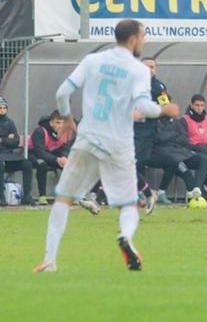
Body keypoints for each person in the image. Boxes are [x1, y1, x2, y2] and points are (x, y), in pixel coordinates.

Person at [34, 19, 179, 273]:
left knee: (64, 198)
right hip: (118, 142)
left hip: (88, 137)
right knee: (128, 203)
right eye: (143, 37)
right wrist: (164, 109)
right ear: (133, 39)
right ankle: (125, 236)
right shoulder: (139, 70)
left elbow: (61, 93)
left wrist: (67, 118)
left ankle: (49, 260)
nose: (143, 42)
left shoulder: (93, 61)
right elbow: (144, 107)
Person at [150, 114, 207, 206]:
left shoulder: (176, 122)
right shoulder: (152, 122)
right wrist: (173, 136)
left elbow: (184, 139)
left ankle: (197, 189)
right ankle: (193, 197)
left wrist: (169, 137)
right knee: (185, 172)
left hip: (181, 151)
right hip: (164, 154)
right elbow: (158, 139)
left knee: (204, 160)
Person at [133, 56, 169, 206]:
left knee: (138, 161)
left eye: (152, 67)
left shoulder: (159, 87)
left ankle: (142, 193)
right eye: (146, 66)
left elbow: (165, 108)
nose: (149, 69)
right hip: (130, 129)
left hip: (147, 131)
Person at [29, 111, 75, 205]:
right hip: (34, 155)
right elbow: (40, 152)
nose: (60, 126)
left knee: (70, 165)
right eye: (58, 122)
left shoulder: (64, 133)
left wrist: (64, 157)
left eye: (63, 123)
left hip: (52, 155)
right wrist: (56, 160)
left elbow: (65, 148)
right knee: (42, 164)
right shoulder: (40, 131)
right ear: (51, 122)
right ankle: (42, 196)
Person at [0, 96, 32, 206]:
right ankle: (1, 198)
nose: (2, 110)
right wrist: (7, 138)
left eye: (4, 108)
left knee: (27, 164)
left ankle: (27, 196)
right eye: (0, 108)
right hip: (1, 157)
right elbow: (10, 141)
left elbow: (16, 141)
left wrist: (2, 140)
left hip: (10, 155)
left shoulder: (10, 122)